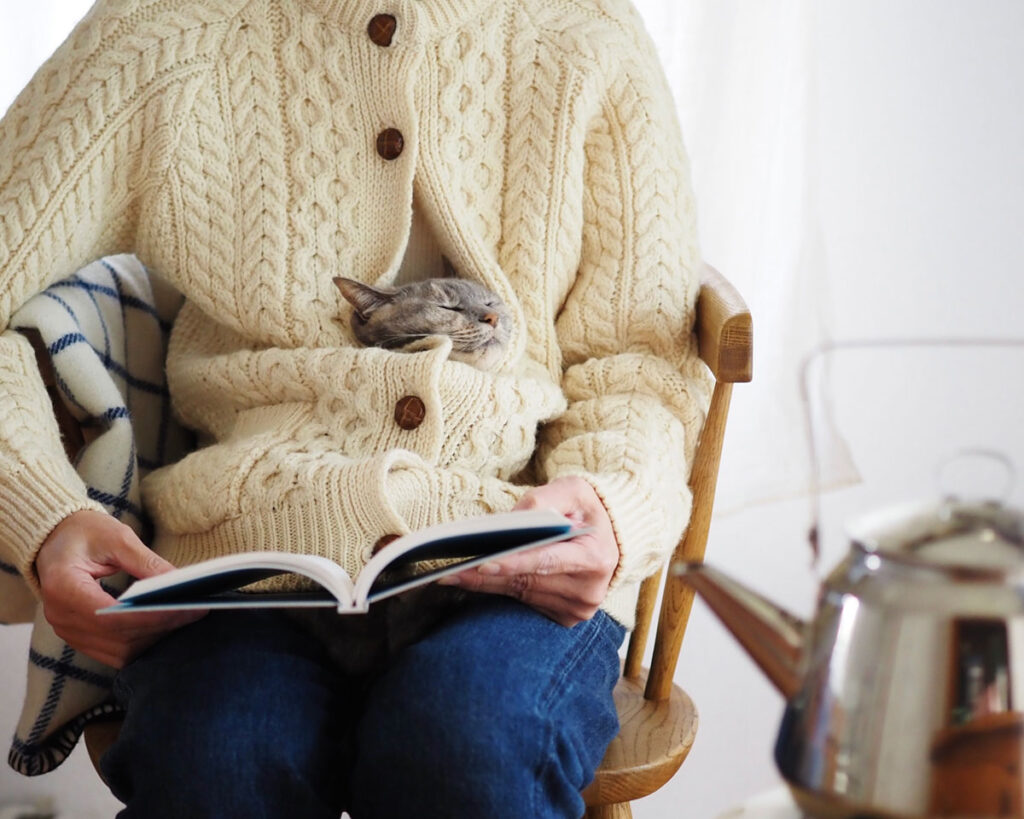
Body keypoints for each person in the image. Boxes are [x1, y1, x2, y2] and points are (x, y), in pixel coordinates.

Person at [0, 0, 710, 815]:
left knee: (465, 744)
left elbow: (644, 355)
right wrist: (44, 515)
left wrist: (616, 507)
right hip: (247, 557)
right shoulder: (164, 26)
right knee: (218, 758)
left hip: (518, 551)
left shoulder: (585, 27)